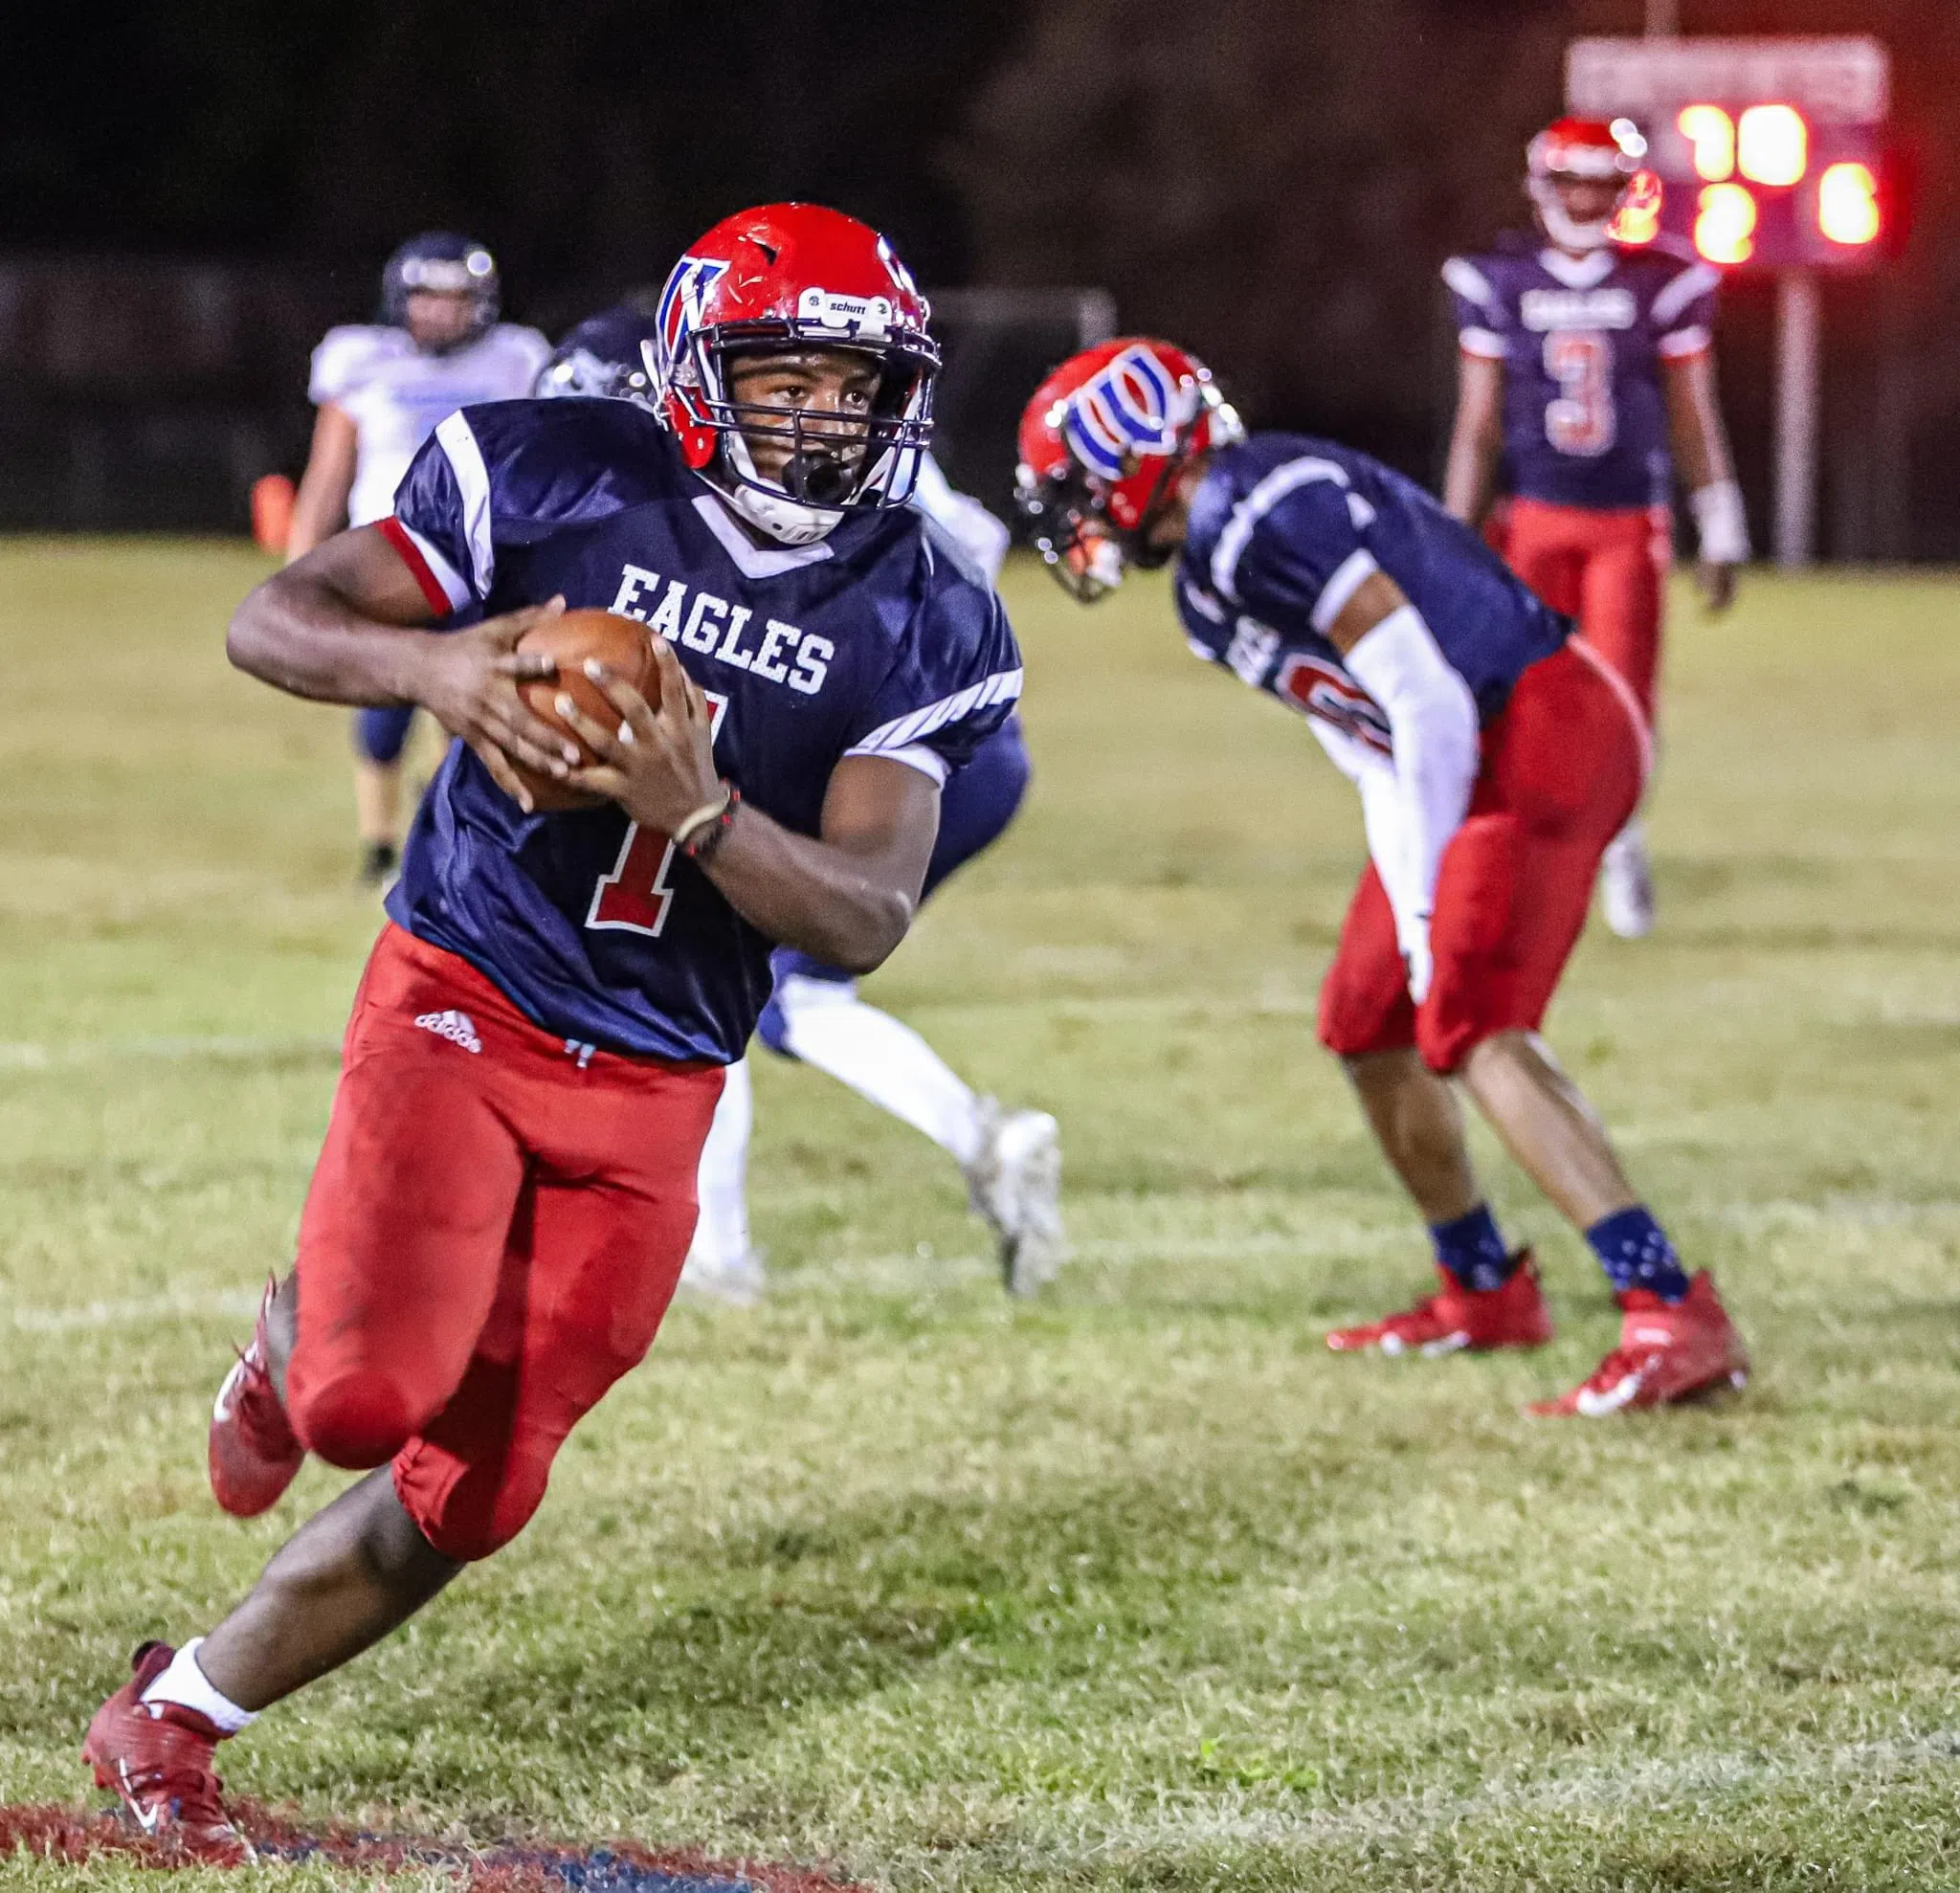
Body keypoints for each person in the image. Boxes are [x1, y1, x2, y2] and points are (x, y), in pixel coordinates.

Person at [82, 204, 1021, 1860]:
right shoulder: (555, 470)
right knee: (363, 1400)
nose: (826, 413)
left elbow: (868, 911)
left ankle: (174, 1713)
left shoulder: (924, 608)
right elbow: (272, 616)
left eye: (857, 383)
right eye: (785, 372)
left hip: (659, 1071)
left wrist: (701, 812)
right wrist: (439, 669)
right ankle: (291, 1344)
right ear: (695, 368)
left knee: (481, 1487)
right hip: (469, 991)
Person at [1016, 337, 1748, 1417]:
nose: (1072, 517)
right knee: (1367, 1020)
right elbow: (1367, 745)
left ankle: (1670, 1311)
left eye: (1076, 486)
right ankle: (1484, 1288)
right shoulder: (1205, 593)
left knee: (1469, 1021)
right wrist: (1414, 902)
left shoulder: (1264, 509)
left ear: (1135, 456)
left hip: (1541, 726)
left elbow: (1426, 700)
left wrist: (1432, 911)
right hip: (1459, 751)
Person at [540, 308, 1063, 1303]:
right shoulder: (826, 453)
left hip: (909, 760)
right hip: (964, 753)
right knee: (783, 990)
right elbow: (975, 541)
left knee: (716, 961)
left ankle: (717, 1247)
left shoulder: (782, 477)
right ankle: (977, 1139)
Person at [1440, 118, 1748, 939]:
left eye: (1601, 182)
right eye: (1572, 181)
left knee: (1621, 703)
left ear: (1625, 189)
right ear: (1543, 184)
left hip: (1627, 522)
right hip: (1533, 518)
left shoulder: (1663, 283)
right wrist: (1448, 539)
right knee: (1523, 697)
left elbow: (1693, 416)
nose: (1584, 198)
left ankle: (1619, 841)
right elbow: (1477, 425)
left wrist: (1720, 524)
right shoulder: (1498, 281)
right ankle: (1521, 853)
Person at [285, 233, 550, 884]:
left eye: (453, 299)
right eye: (426, 297)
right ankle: (378, 845)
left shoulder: (515, 359)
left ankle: (443, 827)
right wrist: (301, 557)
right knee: (383, 710)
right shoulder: (363, 359)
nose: (438, 311)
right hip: (388, 561)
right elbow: (328, 472)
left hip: (479, 558)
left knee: (471, 702)